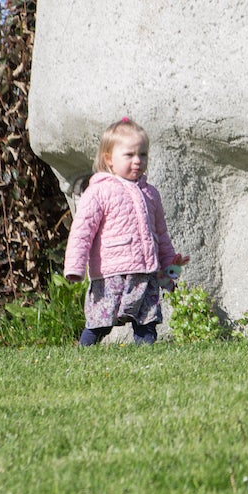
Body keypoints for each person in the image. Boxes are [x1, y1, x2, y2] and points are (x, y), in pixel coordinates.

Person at [64, 118, 188, 346]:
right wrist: (75, 267)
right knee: (100, 322)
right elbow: (82, 232)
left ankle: (146, 355)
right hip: (112, 274)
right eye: (129, 155)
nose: (138, 161)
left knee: (147, 321)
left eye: (143, 155)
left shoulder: (151, 194)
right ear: (109, 159)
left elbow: (160, 234)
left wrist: (170, 265)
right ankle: (83, 351)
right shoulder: (99, 191)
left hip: (145, 271)